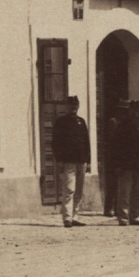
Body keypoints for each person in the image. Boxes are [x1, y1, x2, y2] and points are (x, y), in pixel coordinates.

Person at [45, 93, 92, 224]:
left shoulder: (81, 121)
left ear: (78, 106)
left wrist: (88, 161)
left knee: (79, 191)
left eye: (75, 105)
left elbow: (86, 142)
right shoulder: (61, 122)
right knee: (69, 189)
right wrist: (59, 160)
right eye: (71, 105)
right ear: (66, 106)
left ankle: (74, 216)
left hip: (81, 161)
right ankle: (67, 218)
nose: (73, 107)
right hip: (68, 161)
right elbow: (56, 143)